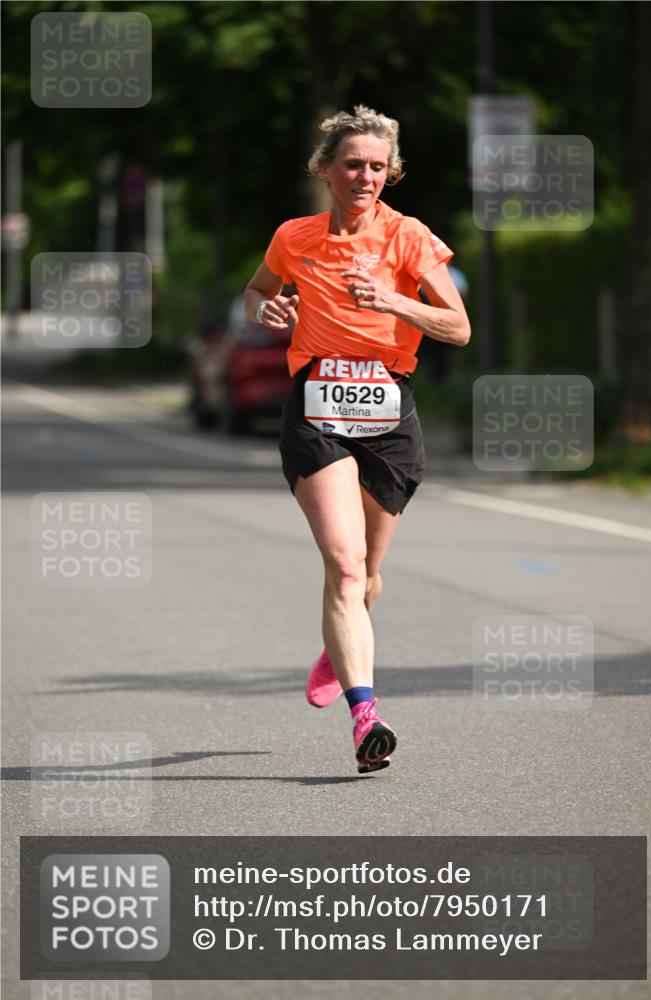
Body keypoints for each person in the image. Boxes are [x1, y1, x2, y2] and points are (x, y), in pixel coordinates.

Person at [244, 105, 470, 773]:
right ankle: (365, 716)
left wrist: (392, 300)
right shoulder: (294, 236)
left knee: (367, 576)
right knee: (343, 567)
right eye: (352, 164)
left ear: (389, 173)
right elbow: (257, 291)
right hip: (316, 409)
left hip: (387, 412)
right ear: (325, 169)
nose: (364, 176)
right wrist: (268, 307)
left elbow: (458, 328)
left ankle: (337, 649)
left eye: (376, 166)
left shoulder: (408, 237)